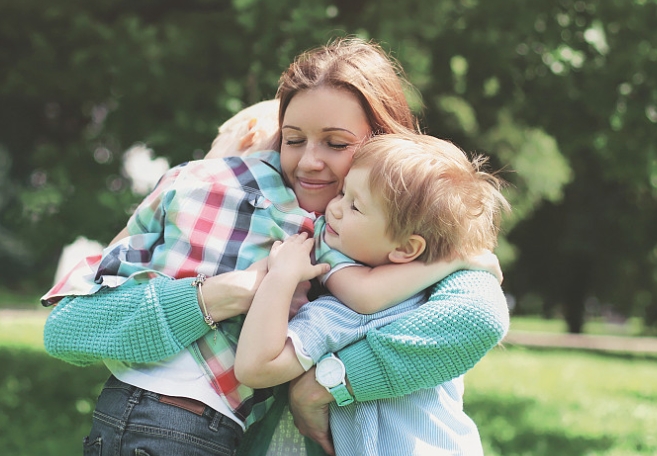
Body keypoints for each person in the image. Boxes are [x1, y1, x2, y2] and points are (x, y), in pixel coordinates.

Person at [42, 37, 509, 456]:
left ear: (382, 148)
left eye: (337, 143)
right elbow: (66, 327)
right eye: (292, 140)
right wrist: (219, 294)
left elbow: (478, 317)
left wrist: (325, 386)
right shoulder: (264, 212)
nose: (309, 162)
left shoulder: (423, 232)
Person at [234, 134, 509, 455]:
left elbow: (256, 368)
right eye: (342, 192)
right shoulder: (437, 299)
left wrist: (281, 277)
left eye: (354, 205)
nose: (333, 209)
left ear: (407, 248)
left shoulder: (348, 314)